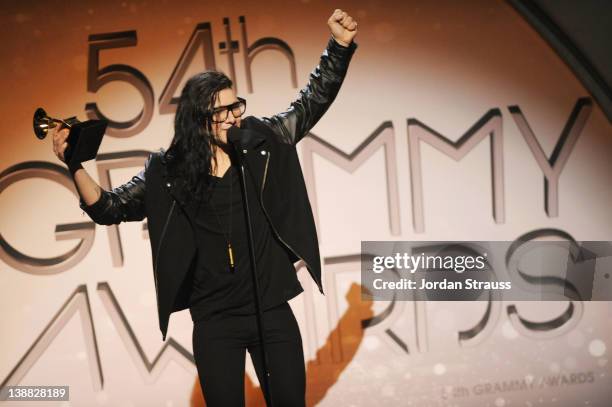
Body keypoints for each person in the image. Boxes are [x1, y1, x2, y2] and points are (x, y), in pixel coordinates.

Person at [51, 8, 357, 407]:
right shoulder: (168, 171)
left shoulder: (259, 141)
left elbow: (312, 101)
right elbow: (109, 208)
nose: (235, 116)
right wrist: (73, 163)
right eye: (224, 111)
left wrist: (339, 46)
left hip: (272, 312)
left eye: (237, 106)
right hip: (216, 323)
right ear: (199, 120)